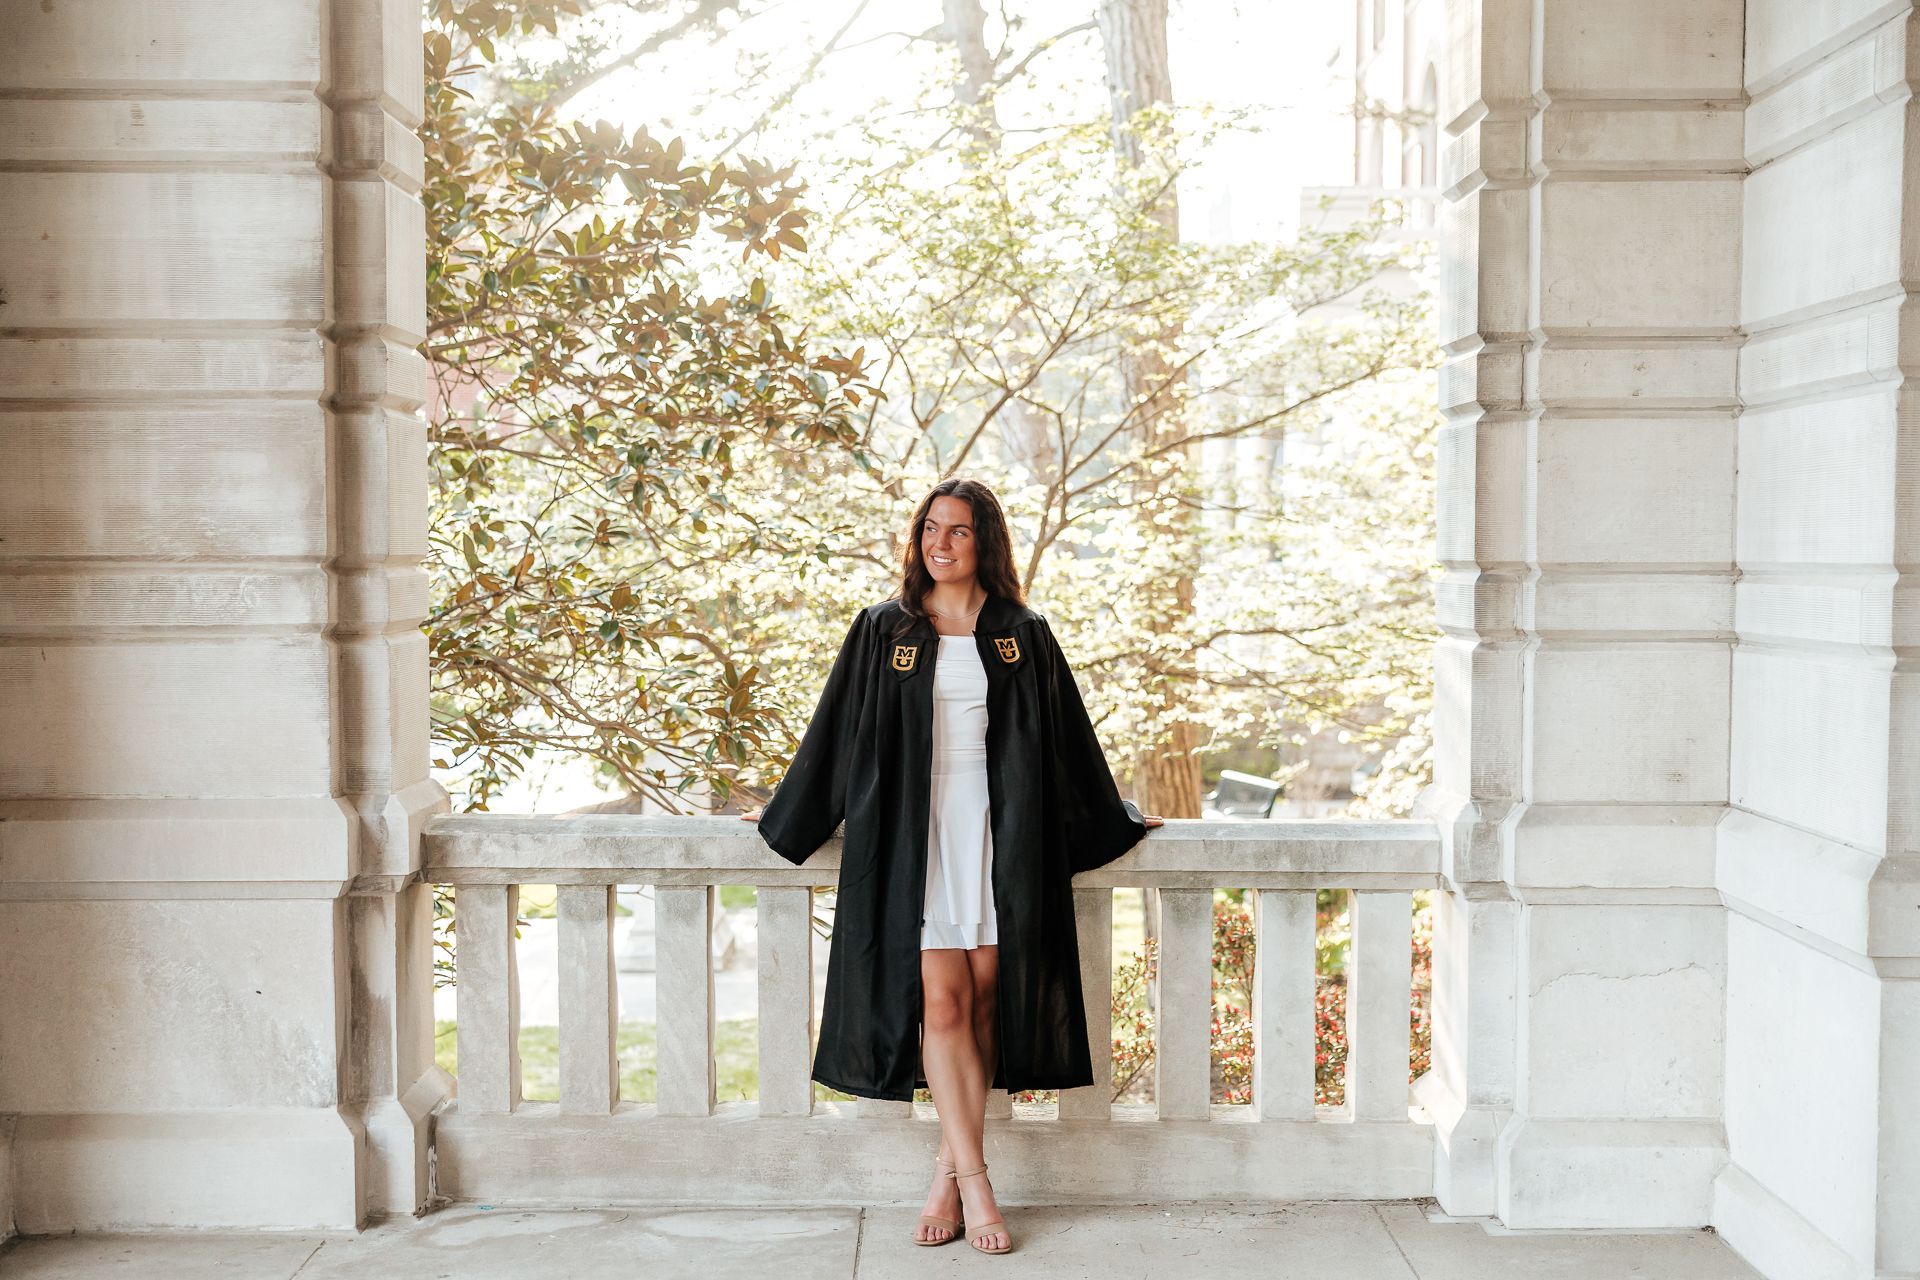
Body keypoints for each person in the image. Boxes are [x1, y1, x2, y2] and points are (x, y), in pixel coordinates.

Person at [740, 477, 1165, 1256]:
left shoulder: (1021, 633)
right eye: (931, 528)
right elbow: (835, 730)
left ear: (985, 543)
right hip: (912, 835)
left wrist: (1117, 817)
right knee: (939, 1002)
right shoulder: (883, 630)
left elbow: (1068, 740)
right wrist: (786, 812)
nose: (941, 543)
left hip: (1000, 835)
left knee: (983, 1005)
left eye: (959, 531)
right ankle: (977, 1185)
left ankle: (945, 1169)